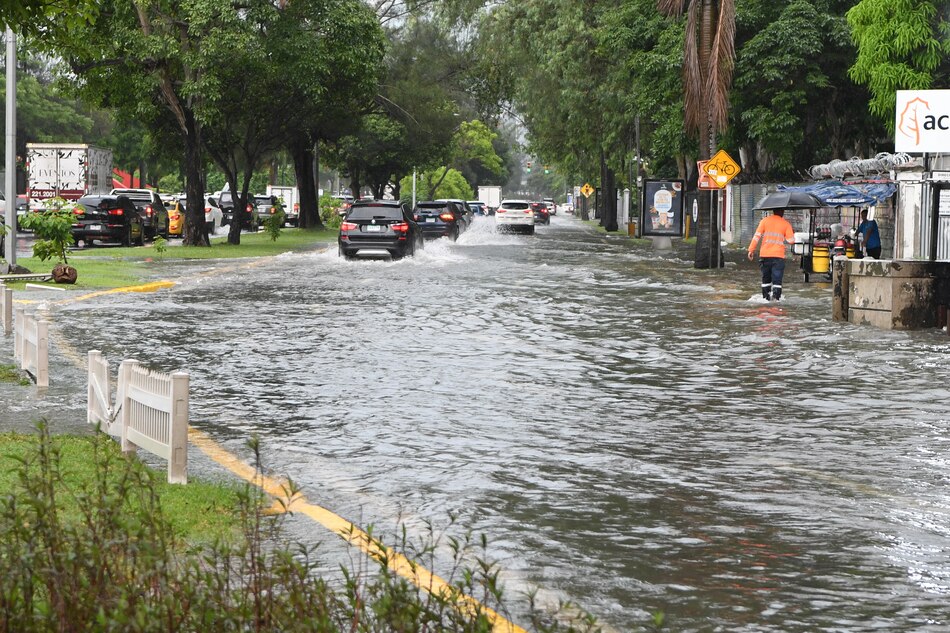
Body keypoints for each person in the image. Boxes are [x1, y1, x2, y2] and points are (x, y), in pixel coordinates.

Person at [747, 209, 795, 301]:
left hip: (765, 255)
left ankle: (765, 298)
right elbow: (791, 241)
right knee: (777, 280)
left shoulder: (764, 221)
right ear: (782, 212)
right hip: (778, 256)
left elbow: (756, 236)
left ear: (773, 211)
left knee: (766, 279)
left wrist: (751, 250)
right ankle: (776, 300)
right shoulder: (786, 224)